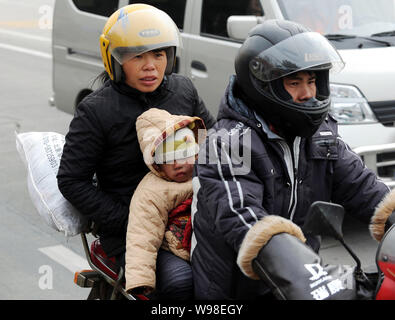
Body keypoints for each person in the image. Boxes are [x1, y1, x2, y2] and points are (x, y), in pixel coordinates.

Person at [191, 19, 395, 300]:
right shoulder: (226, 143)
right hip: (236, 287)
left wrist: (392, 216)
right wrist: (295, 266)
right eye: (294, 82)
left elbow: (362, 186)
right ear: (263, 84)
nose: (308, 93)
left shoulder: (321, 134)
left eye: (312, 81)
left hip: (303, 281)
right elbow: (241, 215)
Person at [56, 3, 215, 295]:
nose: (151, 65)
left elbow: (213, 140)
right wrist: (128, 217)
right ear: (114, 60)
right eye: (137, 56)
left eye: (158, 54)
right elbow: (71, 180)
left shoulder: (183, 91)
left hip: (192, 212)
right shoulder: (96, 111)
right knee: (181, 283)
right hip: (135, 228)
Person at [124, 108, 206, 299]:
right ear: (157, 163)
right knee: (181, 281)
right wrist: (140, 279)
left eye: (184, 154)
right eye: (169, 159)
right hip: (171, 250)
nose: (179, 164)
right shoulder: (151, 192)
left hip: (204, 244)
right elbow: (142, 236)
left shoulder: (207, 173)